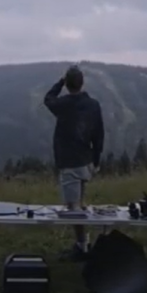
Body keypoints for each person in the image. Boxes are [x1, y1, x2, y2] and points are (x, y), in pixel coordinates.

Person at [42, 64, 105, 259]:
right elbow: (99, 134)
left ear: (67, 84)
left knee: (74, 209)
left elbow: (48, 99)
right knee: (80, 203)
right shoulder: (93, 105)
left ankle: (82, 247)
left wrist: (59, 82)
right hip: (86, 160)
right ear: (82, 83)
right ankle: (84, 244)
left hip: (70, 162)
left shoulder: (64, 104)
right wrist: (96, 160)